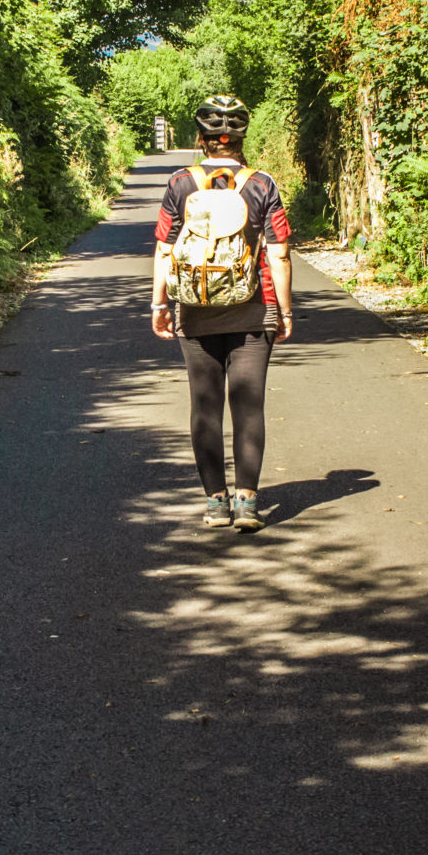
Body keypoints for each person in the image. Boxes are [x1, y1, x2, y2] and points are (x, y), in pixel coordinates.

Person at [151, 95, 293, 532]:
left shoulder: (181, 183)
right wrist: (285, 310)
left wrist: (159, 304)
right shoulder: (262, 183)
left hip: (194, 310)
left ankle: (216, 503)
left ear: (202, 139)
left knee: (205, 404)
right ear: (241, 138)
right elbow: (279, 253)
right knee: (249, 405)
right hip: (255, 309)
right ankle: (247, 503)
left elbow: (165, 248)